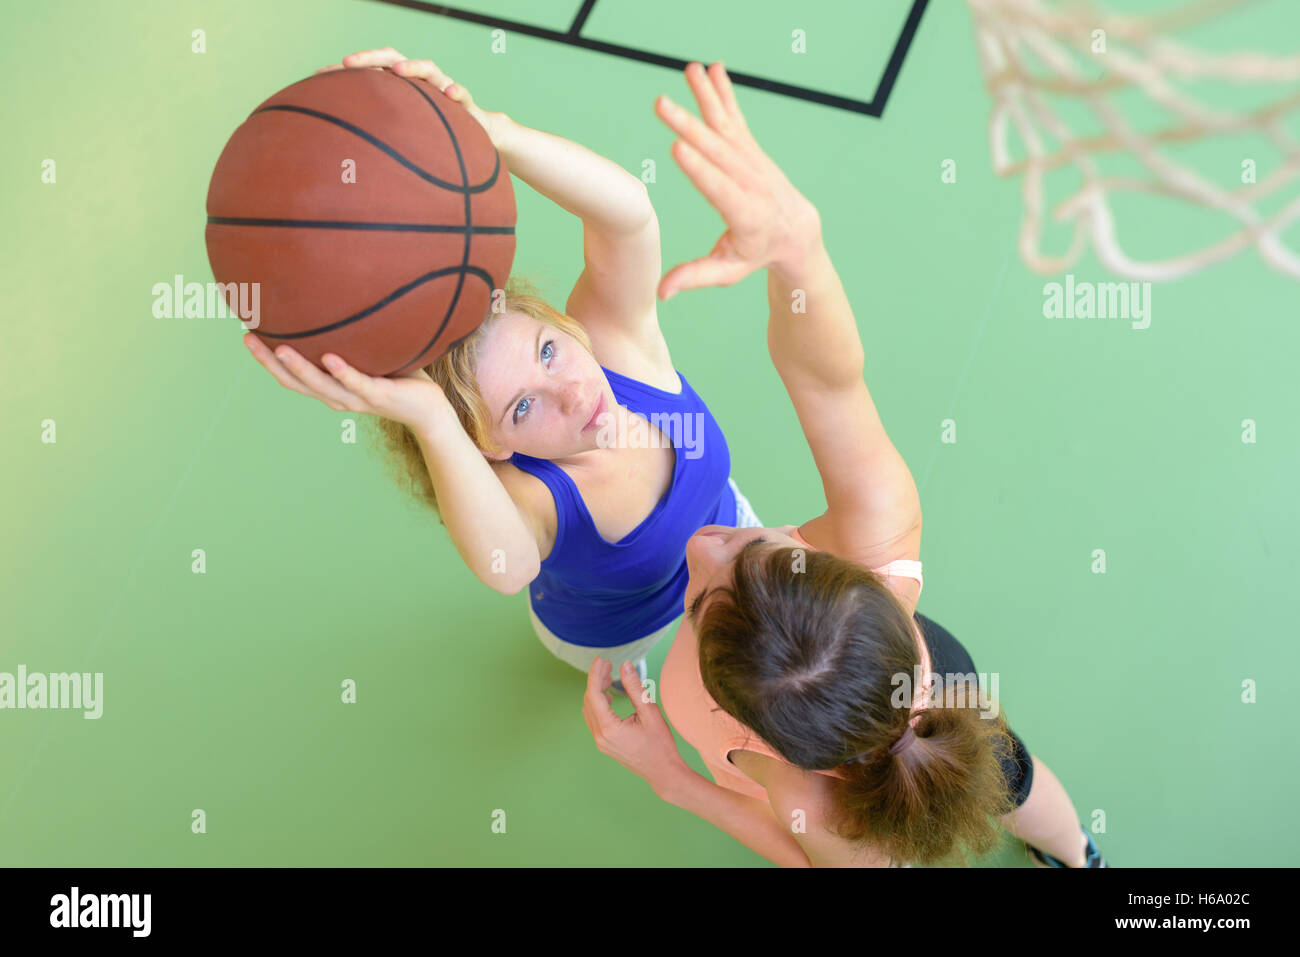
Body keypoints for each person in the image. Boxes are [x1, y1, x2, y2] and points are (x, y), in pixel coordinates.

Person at [583, 62, 1107, 868]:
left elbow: (798, 849)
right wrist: (798, 253)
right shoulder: (878, 528)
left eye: (697, 600)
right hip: (910, 700)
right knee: (997, 771)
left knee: (1011, 779)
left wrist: (672, 777)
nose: (702, 541)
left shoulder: (801, 795)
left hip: (910, 722)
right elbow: (827, 378)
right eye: (747, 550)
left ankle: (1076, 852)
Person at [244, 49, 761, 690]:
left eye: (548, 351)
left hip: (735, 538)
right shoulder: (534, 496)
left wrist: (497, 135)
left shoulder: (619, 354)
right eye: (523, 407)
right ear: (489, 446)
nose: (571, 391)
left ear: (566, 327)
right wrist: (432, 419)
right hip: (629, 636)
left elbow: (629, 217)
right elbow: (507, 569)